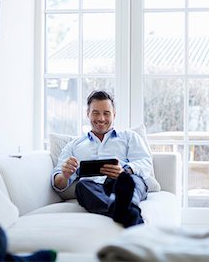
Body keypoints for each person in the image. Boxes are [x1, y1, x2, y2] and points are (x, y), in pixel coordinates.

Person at [51, 90, 152, 227]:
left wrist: (125, 170)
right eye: (96, 113)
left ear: (114, 114)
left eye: (106, 113)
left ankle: (124, 206)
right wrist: (65, 174)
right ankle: (125, 211)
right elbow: (58, 184)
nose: (101, 118)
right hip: (95, 189)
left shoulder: (129, 137)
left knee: (130, 180)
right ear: (88, 114)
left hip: (122, 183)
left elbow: (146, 163)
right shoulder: (74, 145)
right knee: (82, 186)